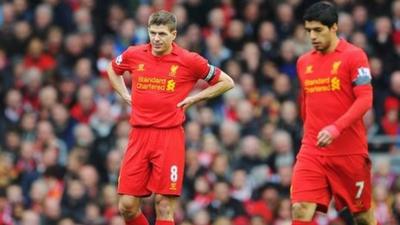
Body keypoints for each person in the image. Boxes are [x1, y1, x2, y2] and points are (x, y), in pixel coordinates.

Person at [107, 10, 234, 225]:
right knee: (127, 206)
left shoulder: (189, 60)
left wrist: (195, 98)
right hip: (138, 135)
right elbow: (113, 68)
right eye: (152, 33)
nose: (156, 39)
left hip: (169, 137)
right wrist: (124, 94)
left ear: (173, 34)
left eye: (162, 34)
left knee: (163, 206)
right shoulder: (134, 54)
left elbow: (227, 82)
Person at [291, 2, 377, 225]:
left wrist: (335, 127)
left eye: (318, 30)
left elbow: (365, 99)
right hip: (313, 148)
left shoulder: (354, 56)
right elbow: (306, 103)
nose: (312, 36)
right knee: (300, 208)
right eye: (308, 30)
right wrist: (309, 133)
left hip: (348, 151)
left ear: (334, 27)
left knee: (363, 217)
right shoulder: (303, 62)